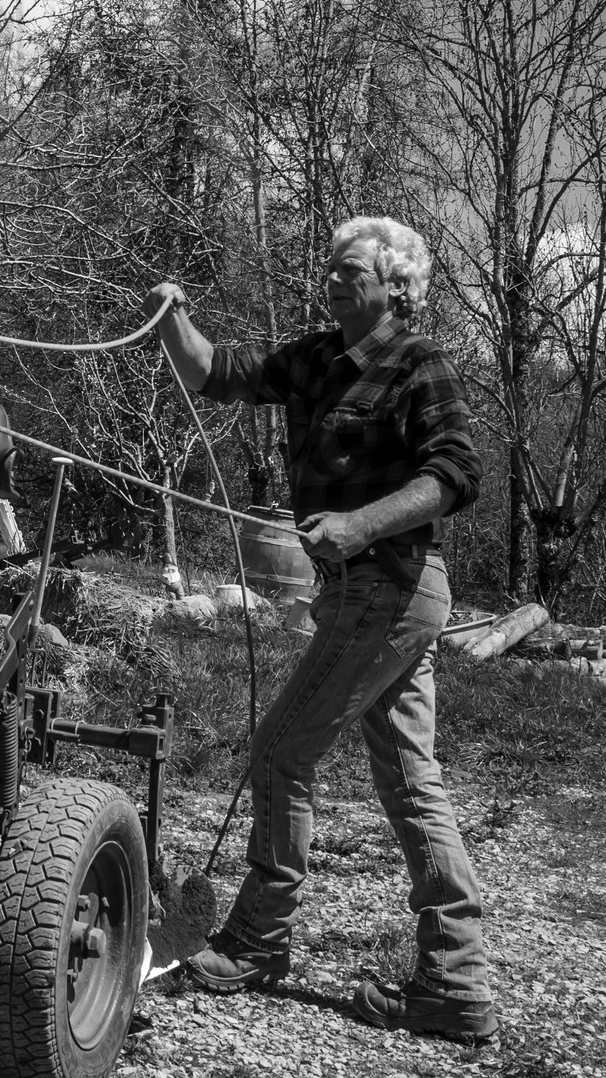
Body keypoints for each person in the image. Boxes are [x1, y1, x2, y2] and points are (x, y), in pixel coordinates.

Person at [146, 216, 495, 1042]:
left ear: (397, 287)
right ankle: (456, 982)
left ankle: (260, 940)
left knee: (280, 753)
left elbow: (457, 472)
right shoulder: (309, 358)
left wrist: (361, 524)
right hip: (364, 597)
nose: (333, 278)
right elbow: (214, 374)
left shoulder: (420, 364)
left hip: (391, 587)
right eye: (330, 267)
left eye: (352, 270)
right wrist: (172, 318)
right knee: (413, 783)